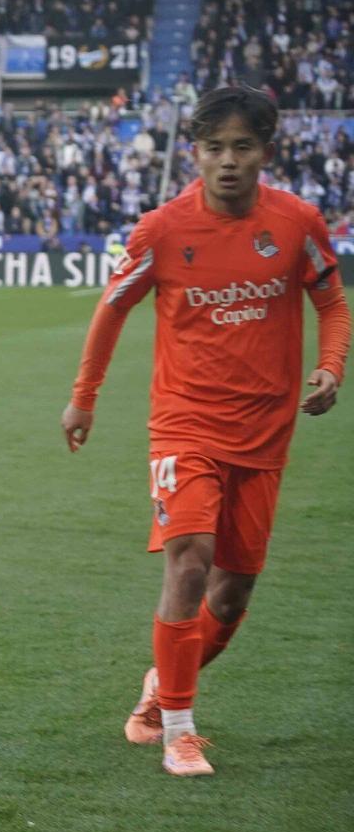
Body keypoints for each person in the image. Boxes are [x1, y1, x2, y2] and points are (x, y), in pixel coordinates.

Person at [62, 86, 347, 777]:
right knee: (189, 558)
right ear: (194, 153)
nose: (227, 161)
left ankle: (162, 690)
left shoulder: (297, 221)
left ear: (266, 153)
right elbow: (111, 308)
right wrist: (84, 397)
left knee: (233, 592)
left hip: (266, 431)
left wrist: (331, 366)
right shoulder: (162, 229)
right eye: (213, 147)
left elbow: (331, 301)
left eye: (242, 146)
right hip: (184, 422)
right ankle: (180, 733)